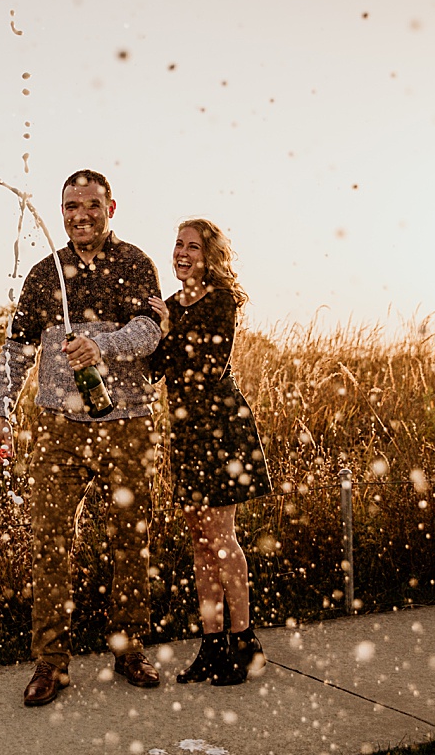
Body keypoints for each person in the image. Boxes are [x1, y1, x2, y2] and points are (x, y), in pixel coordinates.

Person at [0, 169, 164, 707]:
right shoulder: (46, 272)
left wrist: (102, 346)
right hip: (57, 429)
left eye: (91, 205)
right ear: (61, 211)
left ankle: (130, 649)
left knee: (130, 539)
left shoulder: (134, 263)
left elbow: (150, 331)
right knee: (50, 544)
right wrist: (0, 412)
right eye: (71, 206)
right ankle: (51, 663)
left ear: (111, 208)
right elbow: (18, 348)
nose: (80, 215)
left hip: (128, 424)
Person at [147, 217, 273, 686]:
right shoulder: (170, 306)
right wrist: (155, 328)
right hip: (186, 432)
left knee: (222, 538)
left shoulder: (221, 301)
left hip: (220, 428)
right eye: (178, 244)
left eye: (193, 247)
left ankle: (244, 641)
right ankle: (212, 644)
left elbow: (207, 366)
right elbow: (156, 369)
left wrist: (167, 328)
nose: (182, 253)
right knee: (200, 542)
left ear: (210, 256)